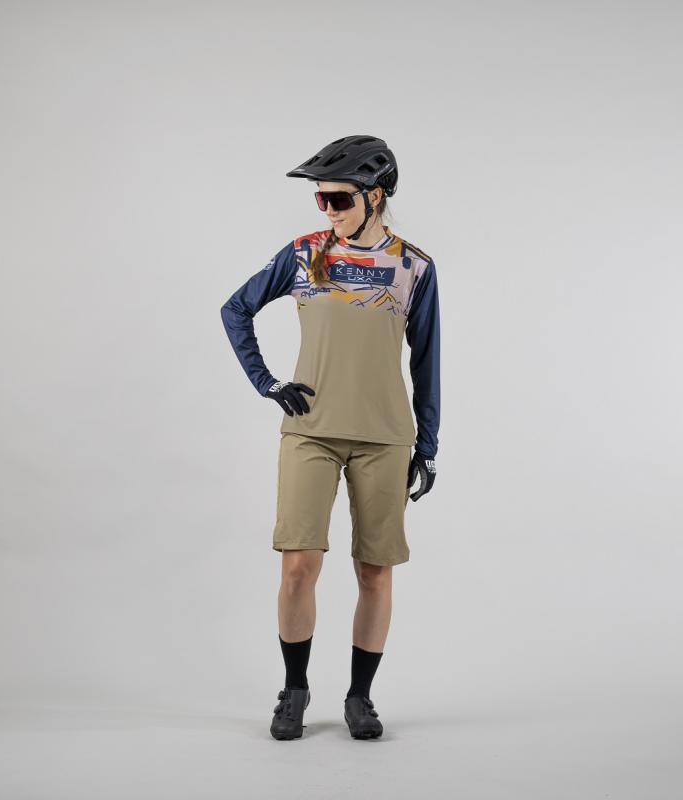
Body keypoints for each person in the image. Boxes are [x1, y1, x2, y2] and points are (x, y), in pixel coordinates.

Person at [219, 135, 440, 740]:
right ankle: (294, 689)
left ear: (375, 197)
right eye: (320, 199)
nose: (327, 210)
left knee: (375, 572)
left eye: (339, 199)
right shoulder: (304, 254)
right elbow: (235, 309)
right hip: (310, 432)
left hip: (384, 437)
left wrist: (427, 444)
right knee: (298, 567)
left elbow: (427, 360)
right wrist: (268, 383)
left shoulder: (414, 268)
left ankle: (360, 698)